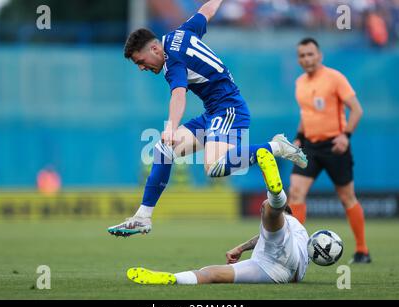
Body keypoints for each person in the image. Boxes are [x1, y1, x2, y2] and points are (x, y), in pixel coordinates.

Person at [108, 0, 307, 238]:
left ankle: (276, 146)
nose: (141, 68)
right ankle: (142, 217)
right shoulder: (180, 33)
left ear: (153, 49)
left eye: (140, 62)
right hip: (213, 112)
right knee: (163, 150)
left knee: (213, 167)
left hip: (228, 109)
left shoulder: (173, 62)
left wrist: (171, 127)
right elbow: (206, 11)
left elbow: (178, 95)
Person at [126, 148, 310, 285]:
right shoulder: (300, 239)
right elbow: (267, 234)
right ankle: (173, 279)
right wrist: (241, 247)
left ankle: (276, 196)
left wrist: (243, 246)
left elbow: (274, 227)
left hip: (273, 262)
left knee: (270, 210)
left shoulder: (295, 226)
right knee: (210, 274)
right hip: (275, 272)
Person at [288, 38, 371, 264]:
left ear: (319, 55)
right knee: (295, 192)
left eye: (310, 54)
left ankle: (362, 250)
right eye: (302, 55)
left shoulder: (335, 78)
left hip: (335, 145)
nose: (306, 59)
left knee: (347, 197)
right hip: (310, 147)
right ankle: (295, 251)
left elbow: (356, 110)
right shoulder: (300, 82)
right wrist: (298, 138)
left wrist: (346, 136)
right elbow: (306, 116)